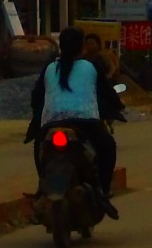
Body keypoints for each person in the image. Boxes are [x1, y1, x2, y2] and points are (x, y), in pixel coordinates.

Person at [26, 28, 122, 217]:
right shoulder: (90, 67)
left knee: (41, 149)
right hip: (85, 123)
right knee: (107, 146)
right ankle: (102, 192)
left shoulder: (49, 68)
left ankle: (42, 188)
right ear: (82, 46)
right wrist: (116, 106)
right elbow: (108, 95)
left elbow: (36, 98)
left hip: (50, 124)